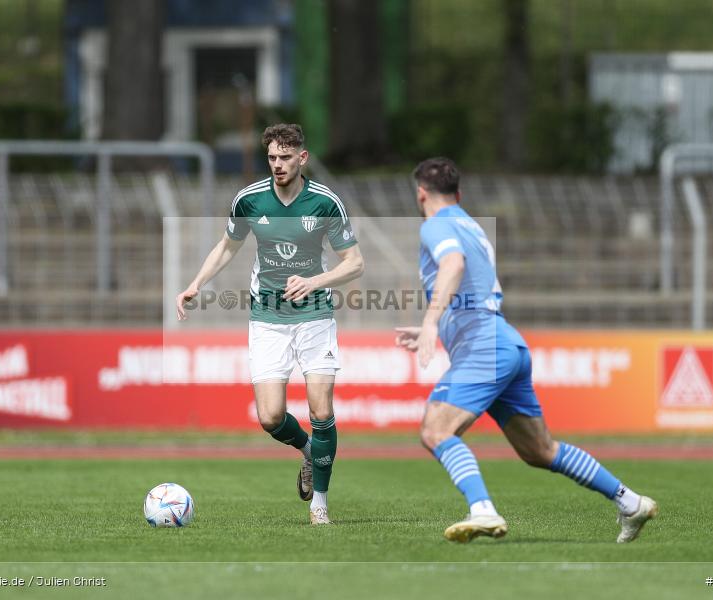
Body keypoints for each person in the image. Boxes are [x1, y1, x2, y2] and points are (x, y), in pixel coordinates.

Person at [394, 157, 657, 543]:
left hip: (484, 346)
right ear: (459, 193)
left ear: (420, 194)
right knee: (539, 450)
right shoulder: (473, 227)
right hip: (506, 342)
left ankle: (482, 510)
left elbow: (452, 264)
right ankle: (630, 502)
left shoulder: (436, 224)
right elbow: (475, 288)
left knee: (436, 430)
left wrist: (432, 321)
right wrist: (437, 325)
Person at [177, 124, 364, 525]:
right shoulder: (250, 199)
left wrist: (314, 281)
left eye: (285, 157)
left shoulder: (325, 202)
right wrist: (196, 283)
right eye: (272, 158)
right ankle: (310, 452)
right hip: (268, 319)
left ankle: (320, 506)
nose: (278, 165)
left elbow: (355, 263)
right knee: (270, 417)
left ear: (302, 158)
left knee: (321, 407)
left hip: (315, 315)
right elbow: (228, 246)